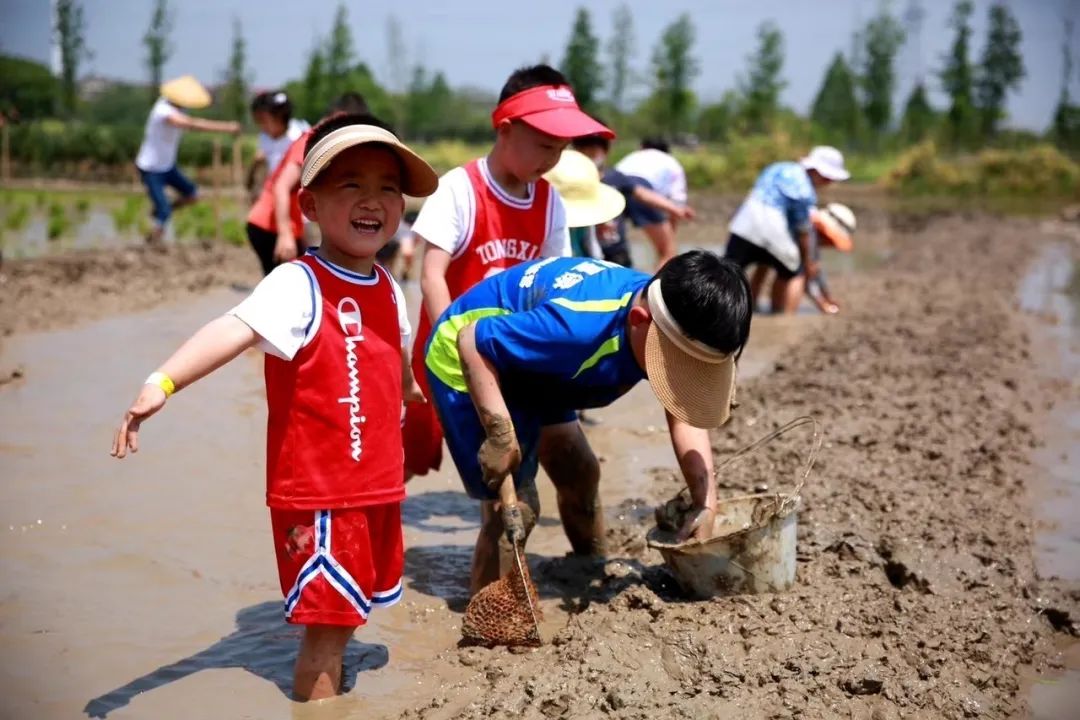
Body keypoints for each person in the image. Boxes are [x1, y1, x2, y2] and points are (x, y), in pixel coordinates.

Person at [110, 113, 439, 701]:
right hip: (319, 497)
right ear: (309, 206)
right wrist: (161, 383)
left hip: (376, 488)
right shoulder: (298, 284)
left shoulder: (389, 286)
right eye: (352, 185)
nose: (374, 200)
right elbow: (230, 329)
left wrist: (423, 414)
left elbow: (398, 368)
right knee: (329, 633)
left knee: (351, 618)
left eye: (388, 187)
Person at [424, 251, 752, 594]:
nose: (681, 380)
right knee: (514, 507)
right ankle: (489, 616)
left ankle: (587, 566)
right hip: (470, 361)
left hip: (539, 366)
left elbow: (684, 410)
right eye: (678, 371)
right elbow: (472, 340)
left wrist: (706, 501)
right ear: (639, 322)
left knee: (578, 470)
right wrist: (501, 434)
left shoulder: (670, 318)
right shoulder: (575, 329)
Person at [402, 64, 614, 482]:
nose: (550, 160)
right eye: (542, 146)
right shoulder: (459, 189)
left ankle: (585, 548)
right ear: (505, 128)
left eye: (560, 149)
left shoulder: (551, 203)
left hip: (516, 356)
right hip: (450, 355)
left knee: (572, 465)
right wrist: (457, 349)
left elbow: (555, 284)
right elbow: (431, 276)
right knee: (412, 459)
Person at [245, 93, 369, 276]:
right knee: (289, 290)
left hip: (285, 225)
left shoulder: (323, 144)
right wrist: (285, 234)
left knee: (302, 284)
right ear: (340, 117)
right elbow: (281, 187)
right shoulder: (310, 142)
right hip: (269, 226)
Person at [725, 146, 850, 314]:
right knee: (793, 272)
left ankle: (739, 308)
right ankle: (784, 316)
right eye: (828, 179)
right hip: (773, 228)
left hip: (745, 224)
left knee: (727, 270)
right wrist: (808, 262)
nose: (828, 183)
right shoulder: (806, 192)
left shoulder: (777, 167)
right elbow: (803, 230)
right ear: (817, 171)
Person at [135, 75, 241, 245]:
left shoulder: (177, 109)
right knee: (164, 212)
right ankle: (152, 242)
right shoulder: (163, 110)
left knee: (193, 195)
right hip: (151, 168)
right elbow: (190, 124)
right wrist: (226, 127)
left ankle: (163, 210)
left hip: (167, 166)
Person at [572, 131, 696, 268]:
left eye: (593, 151)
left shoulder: (614, 176)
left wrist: (674, 209)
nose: (590, 157)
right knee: (667, 249)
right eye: (584, 151)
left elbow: (641, 193)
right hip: (592, 247)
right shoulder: (576, 180)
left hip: (615, 249)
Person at [612, 138, 693, 267]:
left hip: (614, 189)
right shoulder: (672, 163)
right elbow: (677, 207)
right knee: (668, 252)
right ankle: (656, 286)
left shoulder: (633, 156)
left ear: (642, 147)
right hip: (642, 190)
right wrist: (668, 239)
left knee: (614, 248)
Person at [245, 90, 311, 199]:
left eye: (264, 120)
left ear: (279, 118)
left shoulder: (299, 135)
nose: (262, 126)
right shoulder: (265, 137)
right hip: (278, 192)